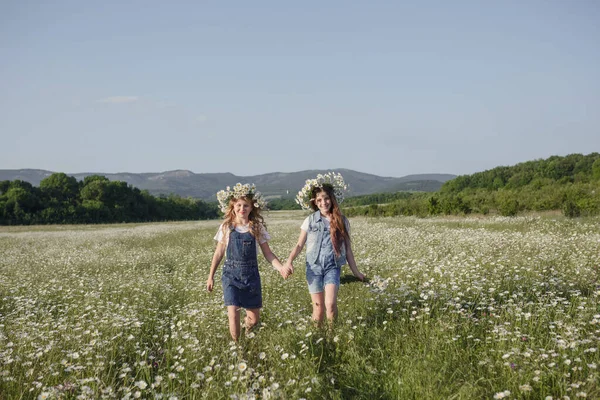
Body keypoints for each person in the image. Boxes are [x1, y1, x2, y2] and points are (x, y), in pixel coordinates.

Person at [206, 183, 292, 341]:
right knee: (233, 314)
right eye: (238, 205)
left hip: (251, 276)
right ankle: (238, 348)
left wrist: (280, 268)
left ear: (252, 208)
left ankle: (247, 333)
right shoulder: (226, 227)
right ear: (232, 207)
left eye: (246, 205)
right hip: (230, 275)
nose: (242, 209)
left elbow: (268, 253)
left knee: (253, 319)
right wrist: (211, 276)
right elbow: (218, 253)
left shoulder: (256, 228)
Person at [285, 172, 365, 325]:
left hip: (332, 267)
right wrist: (289, 261)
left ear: (332, 199)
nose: (323, 203)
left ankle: (331, 334)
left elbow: (348, 250)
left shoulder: (342, 221)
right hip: (313, 268)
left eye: (326, 198)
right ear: (315, 202)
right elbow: (299, 244)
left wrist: (356, 272)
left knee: (330, 304)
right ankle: (317, 337)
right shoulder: (310, 220)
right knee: (318, 307)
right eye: (319, 200)